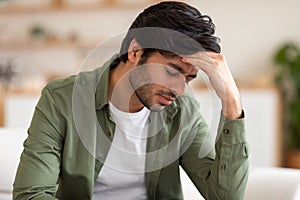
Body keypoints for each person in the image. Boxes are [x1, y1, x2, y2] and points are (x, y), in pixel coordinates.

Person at [13, 1, 249, 200]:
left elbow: (224, 196)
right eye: (172, 71)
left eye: (188, 78)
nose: (178, 89)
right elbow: (30, 195)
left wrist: (231, 99)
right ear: (135, 52)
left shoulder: (184, 109)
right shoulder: (61, 98)